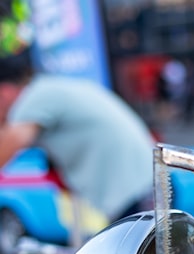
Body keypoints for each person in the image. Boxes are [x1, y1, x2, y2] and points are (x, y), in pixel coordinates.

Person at [0, 51, 155, 228]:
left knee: (136, 253)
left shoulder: (35, 97)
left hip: (137, 192)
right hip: (144, 186)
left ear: (4, 92)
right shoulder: (51, 88)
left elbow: (10, 144)